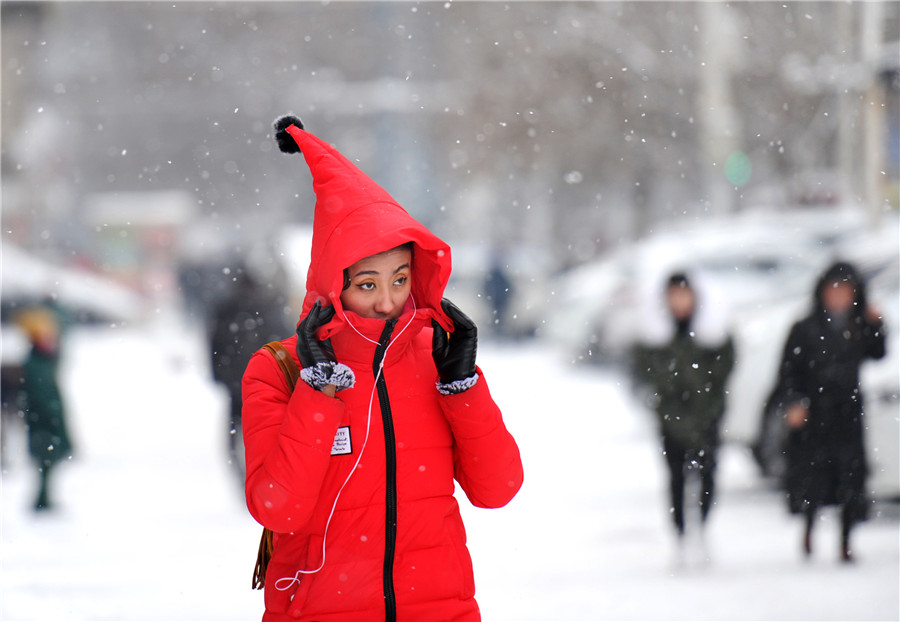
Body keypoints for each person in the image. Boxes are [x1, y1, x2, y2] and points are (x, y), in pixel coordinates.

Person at [241, 115, 524, 622]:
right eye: (367, 284)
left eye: (399, 278)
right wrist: (318, 390)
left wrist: (462, 386)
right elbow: (278, 508)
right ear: (333, 283)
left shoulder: (434, 358)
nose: (389, 301)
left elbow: (497, 488)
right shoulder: (277, 369)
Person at [769, 261, 885, 562]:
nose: (839, 296)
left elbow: (878, 352)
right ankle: (808, 529)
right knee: (813, 479)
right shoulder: (804, 328)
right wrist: (794, 402)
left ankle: (846, 540)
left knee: (850, 478)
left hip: (848, 412)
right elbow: (787, 372)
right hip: (814, 414)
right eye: (834, 289)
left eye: (846, 290)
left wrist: (877, 324)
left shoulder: (857, 325)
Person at [632, 273, 735, 549]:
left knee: (708, 473)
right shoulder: (656, 334)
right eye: (674, 295)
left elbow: (723, 369)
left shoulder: (712, 330)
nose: (679, 301)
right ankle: (679, 532)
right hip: (670, 418)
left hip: (707, 415)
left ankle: (702, 526)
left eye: (684, 294)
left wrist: (705, 400)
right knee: (676, 477)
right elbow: (646, 372)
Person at [209, 266, 288, 483]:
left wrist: (219, 375)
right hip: (264, 381)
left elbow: (215, 344)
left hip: (235, 382)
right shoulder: (268, 305)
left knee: (234, 435)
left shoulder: (225, 308)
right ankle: (265, 480)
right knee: (267, 433)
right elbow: (282, 340)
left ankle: (243, 478)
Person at [16, 305, 74, 512]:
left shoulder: (43, 361)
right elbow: (42, 398)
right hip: (43, 424)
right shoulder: (36, 364)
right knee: (45, 464)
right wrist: (51, 419)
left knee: (47, 465)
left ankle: (44, 499)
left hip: (45, 423)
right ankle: (42, 501)